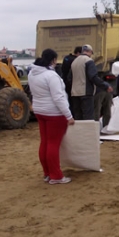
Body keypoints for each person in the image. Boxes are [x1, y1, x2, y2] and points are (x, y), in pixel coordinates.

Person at [28, 49, 74, 185]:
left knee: (45, 142)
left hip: (39, 110)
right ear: (53, 60)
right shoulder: (51, 76)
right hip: (54, 113)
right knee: (53, 144)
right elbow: (58, 97)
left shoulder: (32, 73)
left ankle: (47, 173)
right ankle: (56, 175)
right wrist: (69, 115)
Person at [69, 44, 113, 120]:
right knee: (88, 117)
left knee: (78, 117)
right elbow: (93, 77)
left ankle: (79, 128)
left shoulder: (74, 62)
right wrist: (105, 86)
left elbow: (69, 78)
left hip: (74, 93)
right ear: (90, 52)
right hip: (86, 93)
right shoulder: (89, 61)